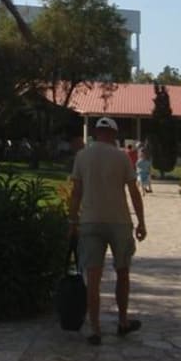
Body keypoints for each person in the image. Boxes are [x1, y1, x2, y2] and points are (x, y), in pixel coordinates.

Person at [68, 116, 147, 346]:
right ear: (113, 134)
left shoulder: (82, 157)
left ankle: (95, 329)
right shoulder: (122, 156)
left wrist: (72, 222)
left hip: (90, 221)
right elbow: (133, 191)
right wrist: (141, 222)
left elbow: (76, 193)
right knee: (122, 272)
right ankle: (122, 322)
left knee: (93, 277)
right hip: (119, 221)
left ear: (95, 133)